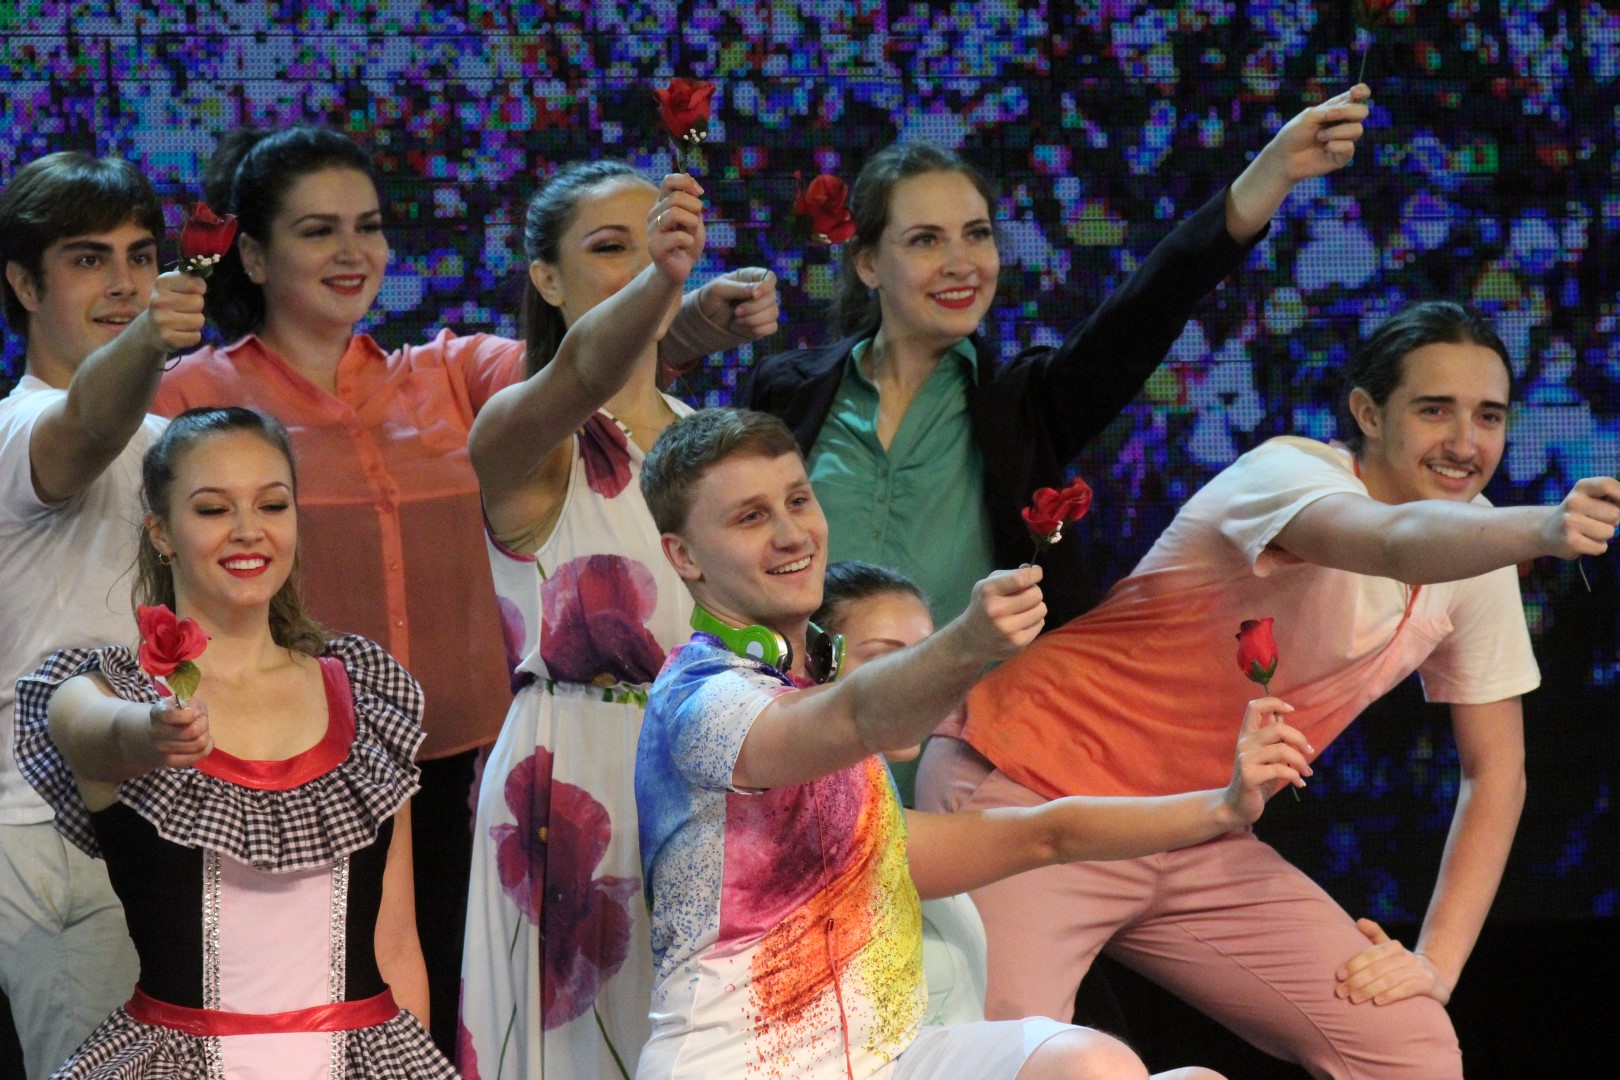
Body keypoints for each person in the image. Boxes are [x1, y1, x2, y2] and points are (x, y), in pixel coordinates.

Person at [150, 126, 777, 1056]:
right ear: (252, 254)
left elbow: (583, 376)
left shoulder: (448, 372)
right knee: (329, 1021)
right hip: (298, 758)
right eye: (318, 230)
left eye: (368, 227)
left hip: (475, 764)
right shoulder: (194, 397)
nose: (352, 251)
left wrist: (683, 316)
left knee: (471, 1012)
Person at [916, 301, 1620, 1078]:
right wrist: (1544, 530)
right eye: (1434, 410)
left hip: (1198, 827)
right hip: (1031, 795)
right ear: (1368, 413)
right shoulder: (1289, 474)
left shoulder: (1475, 546)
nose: (1464, 441)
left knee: (1408, 1044)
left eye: (1488, 416)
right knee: (1008, 1063)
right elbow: (1394, 543)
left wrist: (1435, 965)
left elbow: (1497, 773)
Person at [631, 407, 1314, 1080]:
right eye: (751, 517)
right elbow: (860, 716)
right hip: (734, 1067)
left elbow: (1047, 833)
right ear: (683, 555)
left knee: (1109, 1065)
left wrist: (1224, 806)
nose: (791, 534)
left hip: (890, 1062)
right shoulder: (704, 700)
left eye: (798, 501)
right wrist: (968, 640)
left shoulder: (852, 797)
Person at [746, 86, 1372, 633]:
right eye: (925, 240)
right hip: (802, 715)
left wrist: (1272, 172)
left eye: (977, 234)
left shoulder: (1027, 405)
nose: (961, 263)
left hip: (966, 723)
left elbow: (1153, 302)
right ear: (867, 263)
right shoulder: (787, 391)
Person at [13, 406, 455, 1078]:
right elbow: (89, 733)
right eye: (214, 509)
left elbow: (395, 944)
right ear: (161, 532)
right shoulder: (104, 693)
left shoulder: (364, 695)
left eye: (272, 505)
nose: (249, 529)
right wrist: (150, 732)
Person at [459, 162, 775, 1078]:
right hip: (573, 778)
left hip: (704, 769)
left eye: (657, 245)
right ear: (546, 279)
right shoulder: (525, 432)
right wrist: (667, 281)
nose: (641, 266)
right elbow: (584, 368)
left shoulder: (707, 438)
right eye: (610, 249)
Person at [0, 151, 206, 1078]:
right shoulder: (18, 429)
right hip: (49, 832)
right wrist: (152, 340)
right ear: (23, 285)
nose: (125, 283)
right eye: (89, 259)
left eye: (141, 256)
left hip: (162, 813)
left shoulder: (168, 445)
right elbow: (85, 427)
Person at [810, 561, 990, 1028]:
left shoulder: (887, 810)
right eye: (885, 661)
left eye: (928, 659)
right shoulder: (825, 825)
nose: (919, 683)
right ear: (816, 663)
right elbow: (1052, 836)